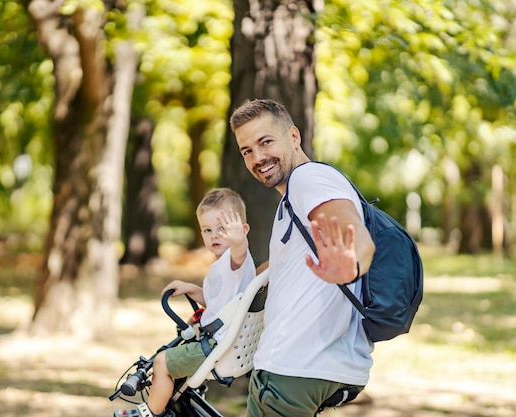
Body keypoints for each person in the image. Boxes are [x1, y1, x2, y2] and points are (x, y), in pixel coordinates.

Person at [229, 98, 376, 416]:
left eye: (265, 142)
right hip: (315, 365)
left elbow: (360, 241)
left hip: (292, 368)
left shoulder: (308, 181)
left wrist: (350, 267)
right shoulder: (293, 200)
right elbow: (277, 270)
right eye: (247, 151)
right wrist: (219, 300)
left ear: (293, 137)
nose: (258, 157)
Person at [114, 188, 256, 417]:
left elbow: (240, 249)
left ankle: (151, 413)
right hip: (224, 343)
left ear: (242, 231)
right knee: (173, 364)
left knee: (161, 362)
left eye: (223, 229)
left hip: (217, 348)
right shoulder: (226, 266)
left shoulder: (235, 259)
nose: (215, 235)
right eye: (207, 230)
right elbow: (221, 304)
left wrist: (239, 241)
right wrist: (192, 289)